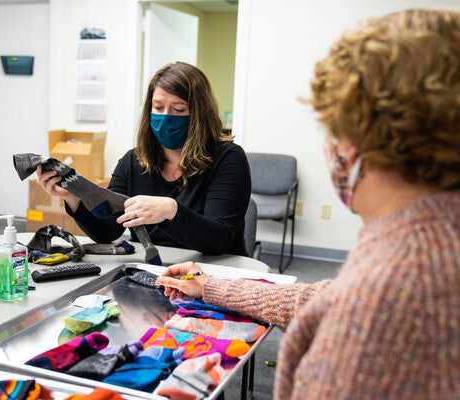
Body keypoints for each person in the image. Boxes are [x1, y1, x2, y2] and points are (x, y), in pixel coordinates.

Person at [157, 9, 460, 399]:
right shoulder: (429, 245)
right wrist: (212, 287)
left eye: (333, 124)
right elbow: (324, 299)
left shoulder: (386, 299)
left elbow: (355, 304)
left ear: (360, 143)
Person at [38, 62, 251, 256]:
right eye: (158, 108)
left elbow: (218, 240)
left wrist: (171, 210)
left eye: (178, 109)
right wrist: (74, 197)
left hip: (216, 271)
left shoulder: (228, 158)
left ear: (199, 114)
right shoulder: (133, 161)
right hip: (155, 269)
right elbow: (108, 231)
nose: (166, 116)